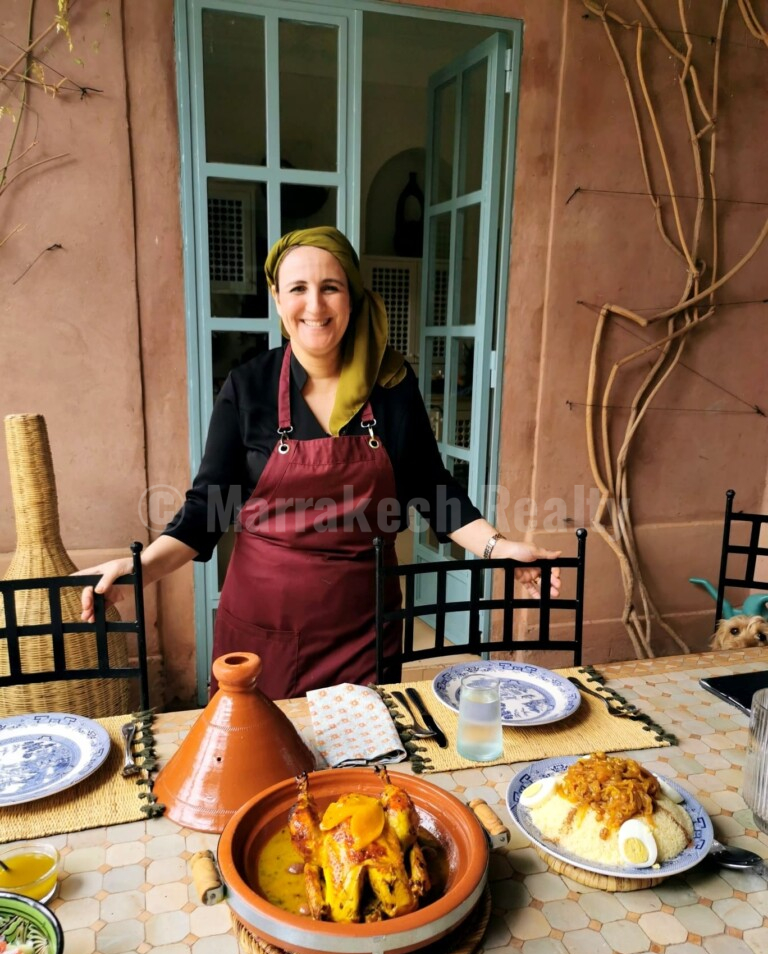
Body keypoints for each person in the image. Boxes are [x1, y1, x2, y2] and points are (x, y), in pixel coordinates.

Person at [77, 227, 562, 700]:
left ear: (351, 295)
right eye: (298, 289)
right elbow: (206, 510)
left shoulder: (391, 386)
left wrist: (498, 547)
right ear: (277, 297)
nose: (314, 305)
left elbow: (433, 490)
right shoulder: (248, 388)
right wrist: (140, 566)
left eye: (330, 287)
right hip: (262, 633)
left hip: (364, 634)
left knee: (362, 773)